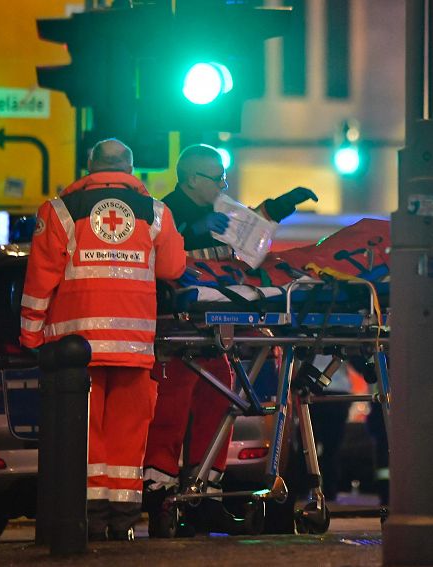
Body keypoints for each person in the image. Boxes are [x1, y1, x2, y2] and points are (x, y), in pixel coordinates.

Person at [142, 143, 318, 536]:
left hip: (216, 333)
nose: (224, 183)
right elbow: (160, 262)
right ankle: (161, 500)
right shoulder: (161, 215)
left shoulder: (219, 212)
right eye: (216, 177)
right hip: (177, 332)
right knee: (169, 416)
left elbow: (248, 231)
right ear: (190, 179)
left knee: (220, 404)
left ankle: (204, 495)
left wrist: (278, 207)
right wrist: (189, 233)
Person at [19, 138, 185, 541]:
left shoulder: (60, 211)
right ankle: (123, 521)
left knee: (86, 431)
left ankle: (89, 517)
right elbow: (173, 267)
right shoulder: (156, 213)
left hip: (79, 347)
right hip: (133, 345)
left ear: (89, 166)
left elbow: (41, 278)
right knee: (128, 434)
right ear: (130, 169)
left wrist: (30, 334)